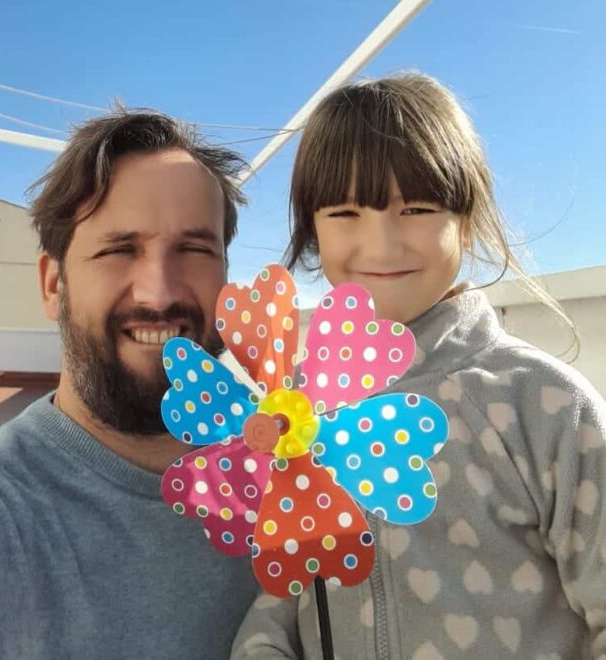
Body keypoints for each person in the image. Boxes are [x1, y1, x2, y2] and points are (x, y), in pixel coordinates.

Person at [0, 110, 260, 659]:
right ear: (54, 284)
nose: (159, 293)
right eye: (118, 249)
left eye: (196, 250)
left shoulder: (303, 483)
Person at [232, 73, 606, 659]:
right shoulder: (298, 407)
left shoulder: (543, 403)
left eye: (416, 208)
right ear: (311, 228)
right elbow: (289, 578)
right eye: (345, 212)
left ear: (467, 216)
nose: (381, 246)